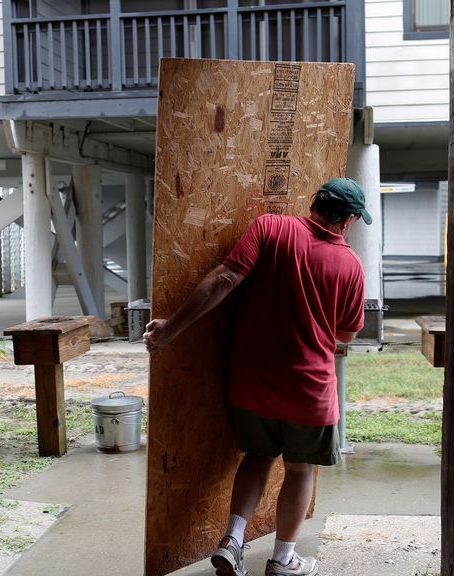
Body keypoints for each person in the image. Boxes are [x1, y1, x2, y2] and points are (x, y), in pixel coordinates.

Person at [143, 177, 371, 576]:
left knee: (258, 455)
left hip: (251, 384)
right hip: (309, 391)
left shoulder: (271, 227)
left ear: (315, 204)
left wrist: (169, 330)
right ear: (349, 220)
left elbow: (225, 278)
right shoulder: (351, 265)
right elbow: (346, 334)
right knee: (301, 470)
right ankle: (283, 560)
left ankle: (232, 541)